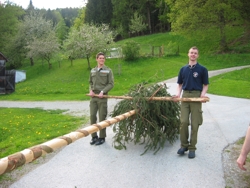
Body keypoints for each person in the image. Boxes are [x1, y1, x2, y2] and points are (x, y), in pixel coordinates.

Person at [174, 46, 209, 159]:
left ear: (197, 55)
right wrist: (178, 94)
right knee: (183, 121)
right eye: (191, 53)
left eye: (195, 53)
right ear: (188, 54)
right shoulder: (183, 69)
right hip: (185, 97)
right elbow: (179, 84)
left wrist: (202, 94)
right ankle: (184, 146)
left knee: (195, 123)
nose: (193, 54)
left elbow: (206, 84)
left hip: (196, 96)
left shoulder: (202, 69)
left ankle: (192, 148)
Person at [88, 52, 114, 145]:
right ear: (97, 59)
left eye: (103, 58)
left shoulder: (108, 70)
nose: (102, 59)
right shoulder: (92, 70)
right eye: (100, 58)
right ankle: (94, 136)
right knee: (92, 117)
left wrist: (103, 91)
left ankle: (102, 137)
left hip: (102, 97)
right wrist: (90, 90)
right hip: (93, 97)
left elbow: (111, 84)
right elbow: (90, 82)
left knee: (102, 117)